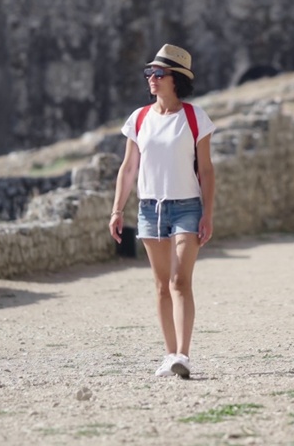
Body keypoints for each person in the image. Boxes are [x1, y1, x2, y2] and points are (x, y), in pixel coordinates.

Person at [109, 44, 216, 379]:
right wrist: (116, 210)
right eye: (149, 73)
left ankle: (184, 355)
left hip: (187, 207)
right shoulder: (139, 119)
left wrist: (207, 214)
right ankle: (169, 355)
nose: (151, 79)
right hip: (148, 208)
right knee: (160, 285)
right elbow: (128, 169)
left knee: (179, 281)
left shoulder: (195, 118)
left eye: (159, 74)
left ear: (176, 80)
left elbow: (207, 170)